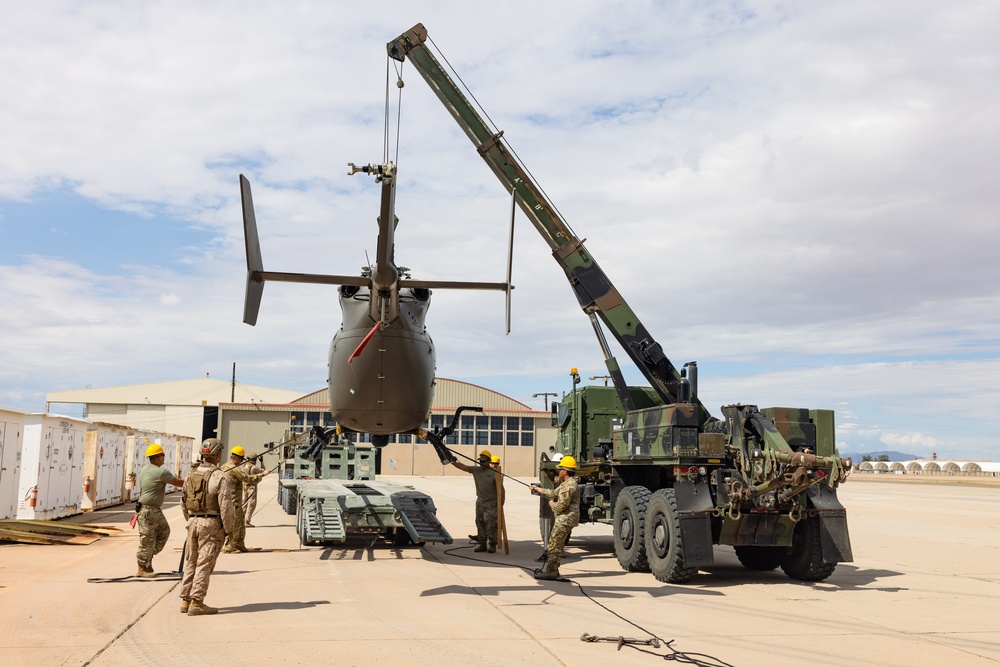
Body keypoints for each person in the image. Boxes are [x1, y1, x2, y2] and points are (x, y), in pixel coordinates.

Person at [179, 438, 235, 616]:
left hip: (193, 522)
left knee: (191, 561)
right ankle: (197, 602)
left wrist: (191, 519)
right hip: (211, 524)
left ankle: (185, 600)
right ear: (217, 454)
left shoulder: (190, 475)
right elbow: (226, 506)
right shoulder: (220, 476)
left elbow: (183, 502)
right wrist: (229, 529)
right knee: (204, 563)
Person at [135, 443, 183, 577]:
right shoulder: (160, 472)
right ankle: (142, 568)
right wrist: (194, 481)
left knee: (164, 531)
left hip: (153, 509)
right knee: (147, 539)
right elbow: (178, 483)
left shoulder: (145, 469)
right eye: (162, 455)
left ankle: (147, 559)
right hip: (148, 511)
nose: (164, 458)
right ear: (156, 457)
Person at [529, 455, 580, 580]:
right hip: (565, 518)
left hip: (565, 519)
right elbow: (552, 493)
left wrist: (552, 504)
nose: (559, 471)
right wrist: (537, 489)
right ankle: (553, 570)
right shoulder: (566, 484)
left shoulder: (569, 486)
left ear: (565, 471)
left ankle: (551, 571)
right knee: (556, 544)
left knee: (554, 545)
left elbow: (561, 506)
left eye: (561, 469)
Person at [220, 445, 269, 553]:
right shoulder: (234, 469)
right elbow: (247, 478)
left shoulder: (223, 466)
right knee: (235, 526)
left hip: (232, 501)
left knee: (241, 524)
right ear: (236, 458)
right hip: (233, 502)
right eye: (241, 459)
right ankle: (229, 547)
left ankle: (239, 544)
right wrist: (262, 475)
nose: (242, 461)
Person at [449, 449, 499, 553]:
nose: (481, 463)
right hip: (480, 501)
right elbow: (463, 467)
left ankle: (493, 544)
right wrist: (451, 460)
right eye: (480, 461)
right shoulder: (476, 470)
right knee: (479, 522)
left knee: (490, 523)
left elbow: (500, 488)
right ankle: (482, 544)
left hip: (491, 501)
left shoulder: (494, 473)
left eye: (483, 461)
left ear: (489, 461)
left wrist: (501, 500)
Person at [242, 454, 267, 527]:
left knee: (244, 504)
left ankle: (242, 520)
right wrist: (262, 462)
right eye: (255, 460)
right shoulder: (254, 468)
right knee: (251, 504)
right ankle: (247, 520)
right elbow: (264, 471)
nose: (255, 461)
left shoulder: (244, 466)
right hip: (251, 487)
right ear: (252, 460)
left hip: (245, 486)